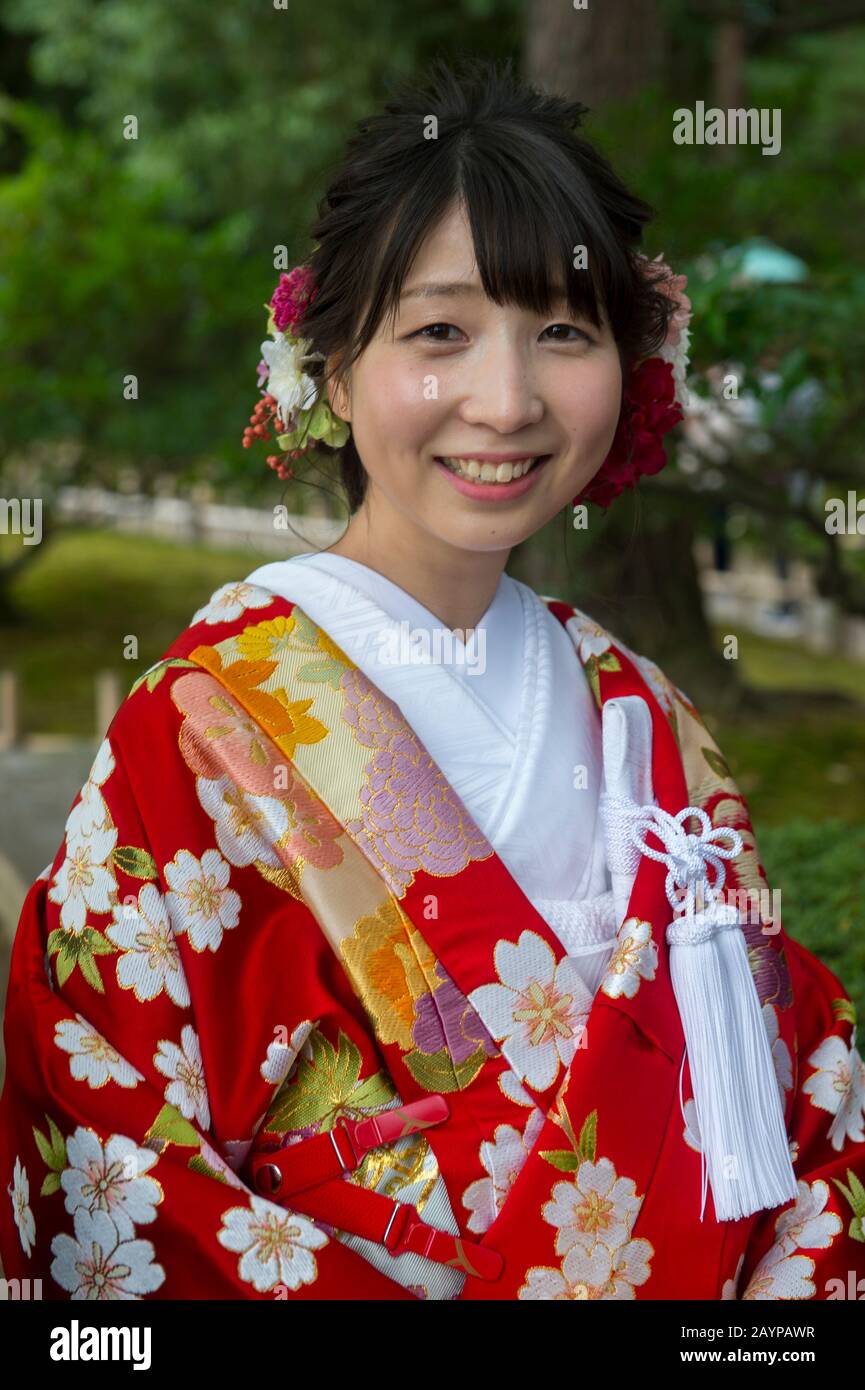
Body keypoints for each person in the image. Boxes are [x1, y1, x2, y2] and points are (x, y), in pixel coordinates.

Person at [1, 56, 863, 1302]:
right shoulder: (197, 723)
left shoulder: (640, 706)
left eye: (562, 332)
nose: (504, 400)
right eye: (439, 331)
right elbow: (107, 1133)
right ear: (334, 372)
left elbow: (800, 1077)